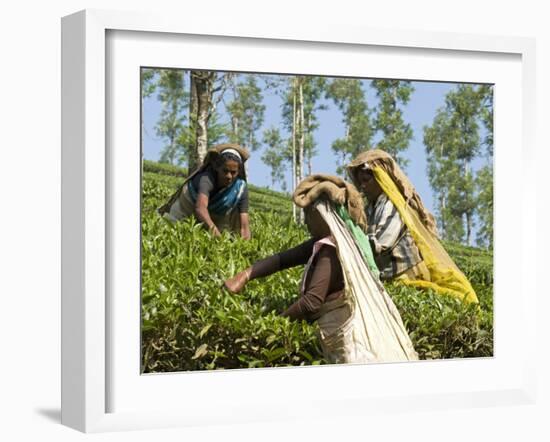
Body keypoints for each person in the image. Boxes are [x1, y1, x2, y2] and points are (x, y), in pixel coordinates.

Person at [224, 174, 418, 364]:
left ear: (322, 215)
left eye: (309, 214)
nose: (307, 221)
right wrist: (245, 275)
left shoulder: (331, 249)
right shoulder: (338, 242)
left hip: (349, 348)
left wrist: (270, 325)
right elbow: (281, 260)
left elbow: (311, 302)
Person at [347, 149, 478, 304]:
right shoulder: (371, 208)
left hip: (407, 275)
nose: (362, 186)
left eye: (366, 180)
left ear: (380, 178)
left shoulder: (393, 206)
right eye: (360, 181)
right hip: (388, 276)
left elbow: (382, 244)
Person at [158, 143, 251, 240]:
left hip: (215, 217)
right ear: (217, 167)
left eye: (233, 172)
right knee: (171, 234)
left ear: (238, 171)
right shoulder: (206, 178)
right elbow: (200, 208)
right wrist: (217, 236)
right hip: (186, 209)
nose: (229, 176)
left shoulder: (240, 188)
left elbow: (244, 226)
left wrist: (245, 245)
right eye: (225, 171)